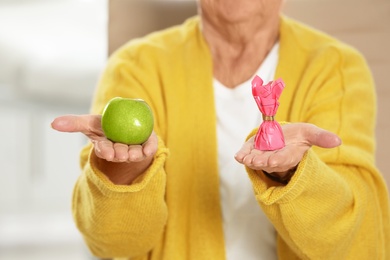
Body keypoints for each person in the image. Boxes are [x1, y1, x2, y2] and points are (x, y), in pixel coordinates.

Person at [51, 0, 390, 259]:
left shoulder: (336, 66)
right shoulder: (135, 66)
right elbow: (111, 242)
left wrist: (293, 173)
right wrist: (124, 168)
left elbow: (352, 241)